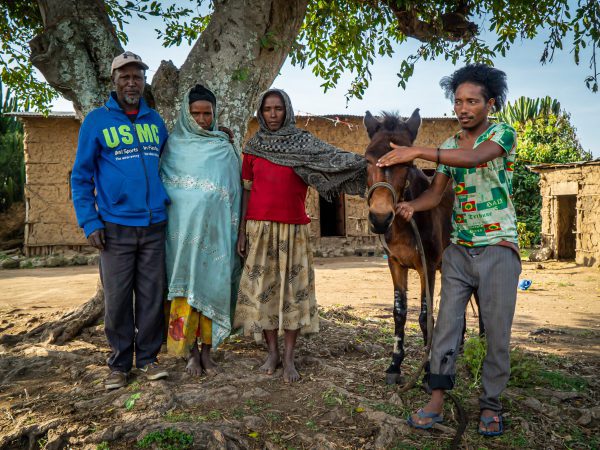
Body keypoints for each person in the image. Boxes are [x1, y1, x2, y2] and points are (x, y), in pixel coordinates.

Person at [377, 64, 521, 437]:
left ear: (490, 103)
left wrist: (417, 151)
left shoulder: (501, 134)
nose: (463, 108)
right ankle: (436, 399)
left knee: (497, 333)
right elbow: (435, 194)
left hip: (498, 250)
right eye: (458, 101)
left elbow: (474, 160)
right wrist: (412, 206)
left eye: (472, 101)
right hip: (459, 250)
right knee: (445, 328)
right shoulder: (451, 145)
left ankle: (491, 405)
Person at [234, 88, 367, 382]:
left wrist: (367, 164)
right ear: (260, 111)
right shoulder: (252, 148)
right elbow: (245, 192)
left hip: (294, 229)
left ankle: (290, 357)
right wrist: (242, 231)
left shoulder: (304, 145)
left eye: (278, 109)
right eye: (267, 109)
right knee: (264, 292)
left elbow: (333, 159)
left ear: (287, 110)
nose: (272, 114)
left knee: (294, 294)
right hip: (260, 228)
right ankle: (272, 353)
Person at [71, 51, 170, 390]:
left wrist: (216, 134)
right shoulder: (97, 121)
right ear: (113, 81)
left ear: (144, 82)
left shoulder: (155, 122)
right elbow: (81, 177)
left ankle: (147, 359)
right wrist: (90, 221)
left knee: (152, 297)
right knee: (116, 299)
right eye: (125, 76)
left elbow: (176, 162)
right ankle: (118, 364)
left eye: (137, 77)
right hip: (114, 228)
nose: (132, 82)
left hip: (155, 225)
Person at [160, 84, 242, 376]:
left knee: (212, 290)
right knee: (183, 293)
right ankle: (189, 354)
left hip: (216, 236)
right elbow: (166, 188)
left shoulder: (224, 147)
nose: (202, 119)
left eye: (207, 113)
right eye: (196, 114)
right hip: (180, 238)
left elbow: (235, 194)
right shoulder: (173, 146)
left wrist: (237, 234)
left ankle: (208, 352)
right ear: (186, 113)